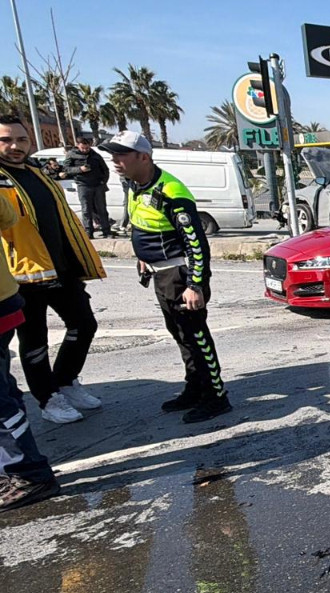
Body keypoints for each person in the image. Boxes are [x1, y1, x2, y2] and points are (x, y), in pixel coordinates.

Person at [101, 131, 231, 423]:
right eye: (113, 155)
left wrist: (194, 284)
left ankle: (216, 396)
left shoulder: (171, 192)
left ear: (143, 157)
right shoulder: (136, 185)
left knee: (197, 337)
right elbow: (146, 228)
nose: (115, 161)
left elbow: (197, 243)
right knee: (181, 335)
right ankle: (195, 388)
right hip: (161, 274)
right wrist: (144, 257)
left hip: (180, 276)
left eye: (121, 154)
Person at [0, 115, 106, 425]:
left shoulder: (37, 171)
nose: (15, 146)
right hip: (22, 275)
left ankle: (65, 380)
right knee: (34, 342)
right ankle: (47, 398)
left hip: (59, 267)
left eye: (20, 139)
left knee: (84, 325)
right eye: (6, 140)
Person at [0, 193, 59, 511]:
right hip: (5, 296)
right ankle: (19, 468)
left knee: (0, 400)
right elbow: (8, 218)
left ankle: (29, 472)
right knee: (4, 390)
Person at [64, 136, 115, 239]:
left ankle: (106, 230)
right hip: (83, 185)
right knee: (86, 209)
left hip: (97, 185)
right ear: (78, 146)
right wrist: (80, 169)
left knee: (102, 209)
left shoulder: (95, 155)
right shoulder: (72, 155)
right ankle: (88, 232)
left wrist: (102, 182)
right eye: (83, 148)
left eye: (87, 148)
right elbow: (66, 169)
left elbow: (105, 170)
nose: (85, 150)